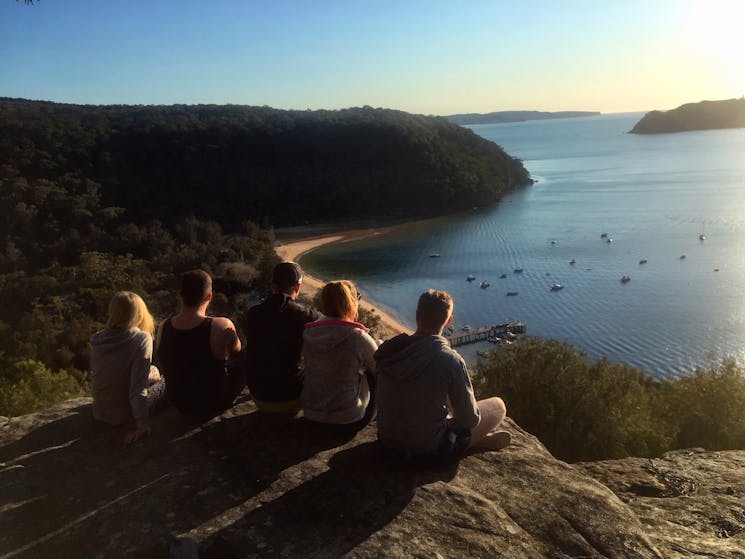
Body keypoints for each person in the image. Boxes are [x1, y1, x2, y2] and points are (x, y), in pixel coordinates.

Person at [375, 289, 510, 464]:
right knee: (498, 406)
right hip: (427, 452)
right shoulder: (450, 360)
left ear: (417, 316)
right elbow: (469, 419)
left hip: (387, 444)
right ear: (448, 321)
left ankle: (479, 441)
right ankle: (473, 443)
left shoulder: (388, 350)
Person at [156, 269, 243, 416]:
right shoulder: (220, 325)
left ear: (180, 295)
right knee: (245, 357)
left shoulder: (164, 327)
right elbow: (237, 353)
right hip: (214, 404)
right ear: (209, 297)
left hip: (179, 404)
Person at [241, 261, 320, 413]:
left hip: (259, 397)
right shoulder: (306, 315)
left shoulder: (253, 314)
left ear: (273, 285)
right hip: (292, 399)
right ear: (297, 287)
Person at [301, 280, 378, 431]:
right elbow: (380, 369)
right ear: (351, 303)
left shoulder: (309, 332)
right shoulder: (357, 336)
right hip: (347, 420)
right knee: (374, 369)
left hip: (311, 415)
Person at [90, 291, 167, 443]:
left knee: (153, 370)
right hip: (125, 413)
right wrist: (142, 425)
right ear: (139, 314)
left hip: (100, 412)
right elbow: (137, 389)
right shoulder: (141, 339)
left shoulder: (98, 339)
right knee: (167, 381)